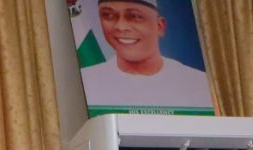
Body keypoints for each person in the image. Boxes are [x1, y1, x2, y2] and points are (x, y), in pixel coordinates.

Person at [80, 0, 213, 109]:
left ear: (160, 26)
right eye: (108, 16)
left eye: (135, 16)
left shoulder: (198, 83)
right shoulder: (88, 82)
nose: (120, 26)